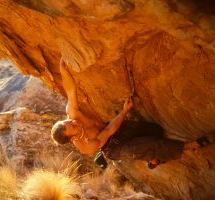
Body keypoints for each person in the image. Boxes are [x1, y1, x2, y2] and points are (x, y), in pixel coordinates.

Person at [51, 58, 214, 169]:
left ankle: (154, 160)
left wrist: (63, 70)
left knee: (154, 130)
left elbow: (70, 91)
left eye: (67, 122)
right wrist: (124, 111)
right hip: (114, 148)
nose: (73, 122)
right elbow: (108, 132)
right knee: (150, 144)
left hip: (115, 129)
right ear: (72, 137)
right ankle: (191, 146)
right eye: (71, 126)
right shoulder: (86, 146)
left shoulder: (72, 114)